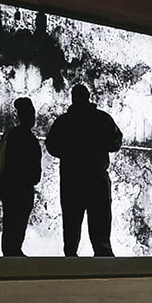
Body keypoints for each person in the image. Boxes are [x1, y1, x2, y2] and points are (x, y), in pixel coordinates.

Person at [45, 85, 123, 256]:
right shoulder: (102, 119)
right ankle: (104, 260)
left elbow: (51, 145)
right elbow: (116, 142)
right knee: (100, 224)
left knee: (72, 224)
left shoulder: (64, 122)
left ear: (73, 98)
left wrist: (67, 151)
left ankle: (71, 260)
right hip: (96, 177)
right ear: (88, 97)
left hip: (72, 179)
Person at [0, 97, 42, 256]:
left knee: (9, 219)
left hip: (8, 185)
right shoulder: (30, 140)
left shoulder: (10, 135)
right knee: (19, 221)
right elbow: (35, 173)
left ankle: (8, 251)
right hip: (23, 188)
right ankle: (14, 251)